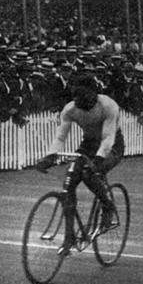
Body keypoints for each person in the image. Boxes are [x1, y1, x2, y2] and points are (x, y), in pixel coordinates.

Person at [35, 76, 125, 255]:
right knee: (70, 183)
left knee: (90, 173)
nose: (77, 100)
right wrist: (50, 156)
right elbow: (60, 137)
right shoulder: (70, 109)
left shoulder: (108, 105)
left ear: (94, 94)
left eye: (82, 96)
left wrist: (98, 160)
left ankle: (108, 206)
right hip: (89, 144)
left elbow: (108, 137)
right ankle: (69, 237)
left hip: (112, 144)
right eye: (74, 96)